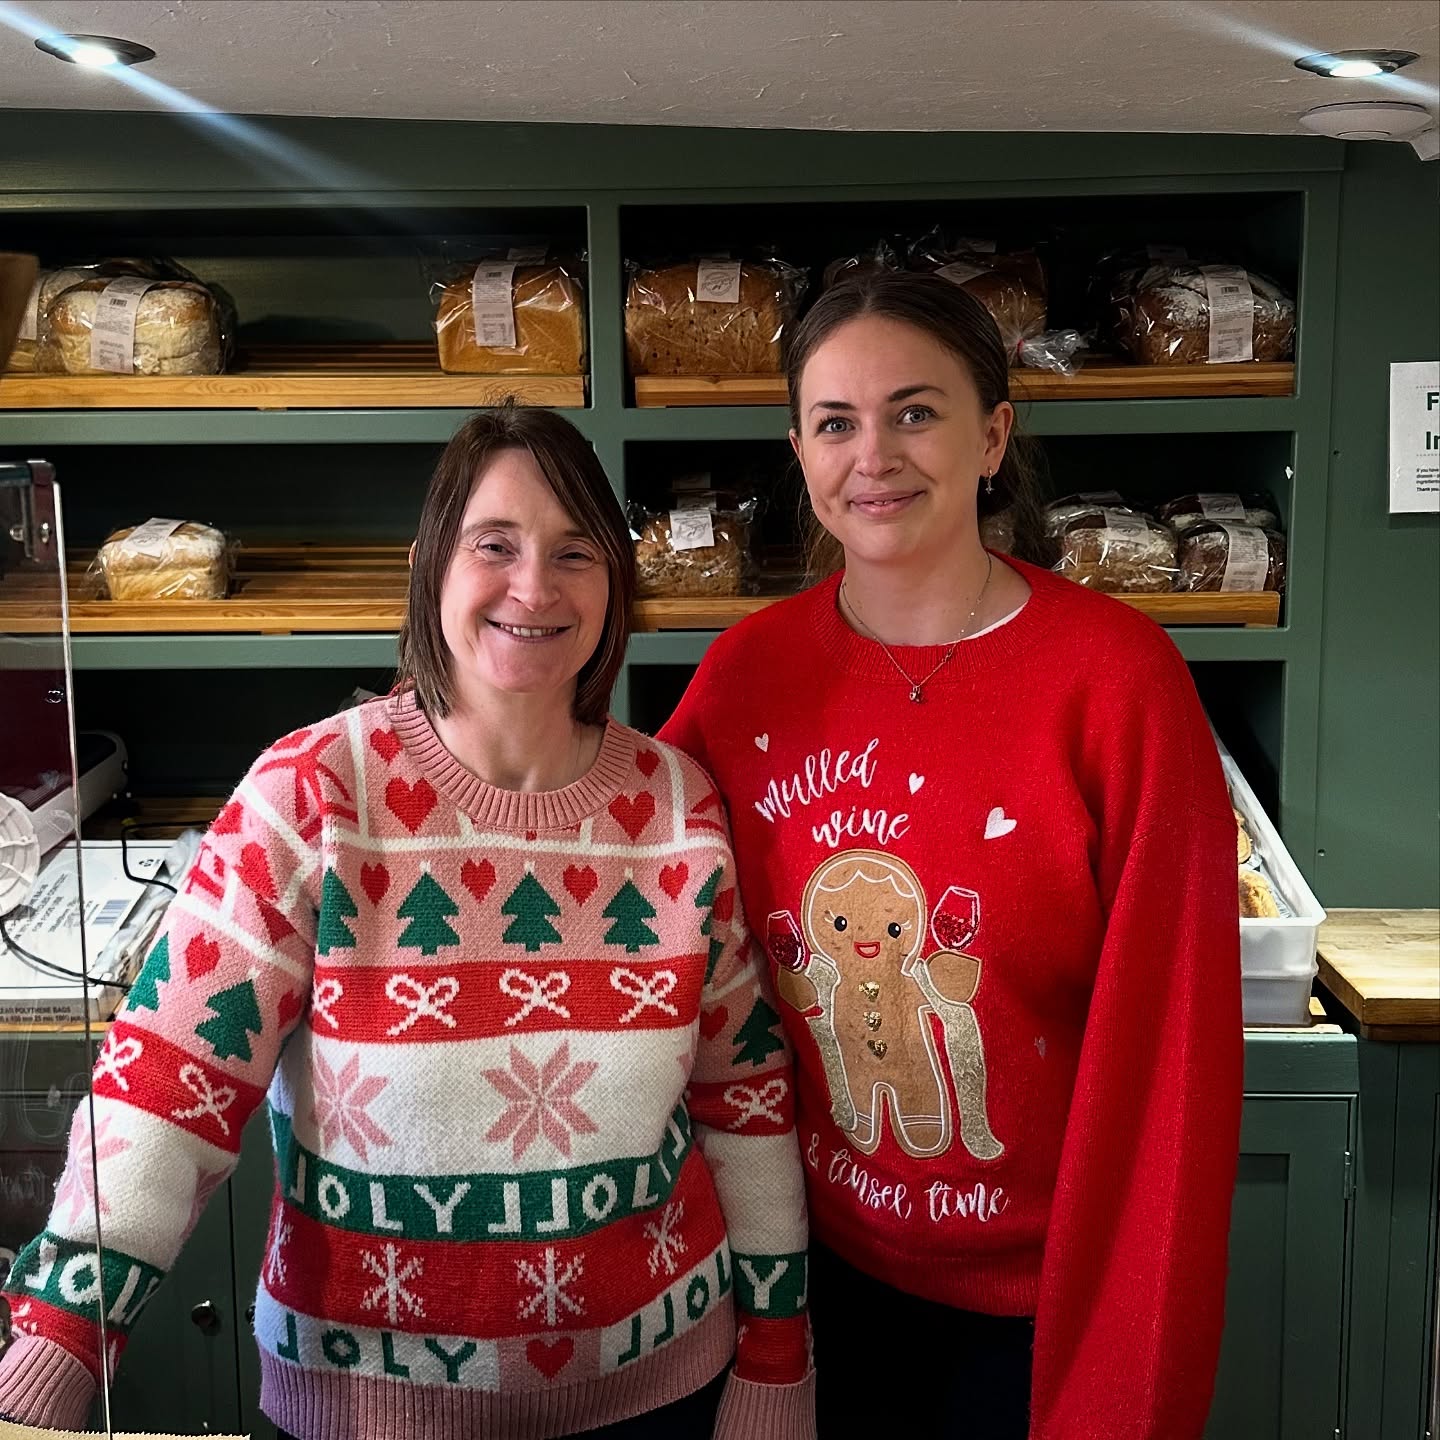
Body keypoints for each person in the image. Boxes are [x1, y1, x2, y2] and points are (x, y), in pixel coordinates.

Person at [0, 404, 815, 1440]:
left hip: (660, 1392)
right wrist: (59, 1349)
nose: (535, 586)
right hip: (364, 1408)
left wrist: (777, 1362)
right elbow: (169, 1086)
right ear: (432, 566)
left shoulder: (677, 804)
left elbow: (743, 1099)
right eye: (497, 546)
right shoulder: (313, 793)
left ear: (616, 584)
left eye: (576, 552)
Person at [659, 272, 1242, 1440]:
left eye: (915, 412)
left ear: (994, 436)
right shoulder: (748, 674)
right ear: (800, 450)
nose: (873, 455)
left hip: (1044, 1313)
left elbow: (1174, 1056)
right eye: (835, 422)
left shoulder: (1119, 683)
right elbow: (623, 866)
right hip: (800, 1284)